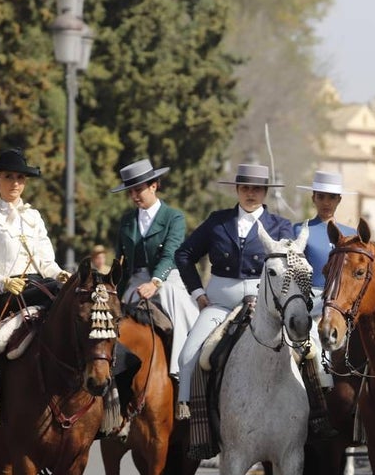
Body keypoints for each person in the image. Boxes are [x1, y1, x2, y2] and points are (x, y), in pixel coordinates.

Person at [173, 164, 294, 418]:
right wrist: (197, 293)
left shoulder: (281, 226)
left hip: (265, 305)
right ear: (237, 190)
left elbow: (289, 265)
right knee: (187, 356)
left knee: (305, 353)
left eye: (257, 189)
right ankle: (189, 411)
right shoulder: (218, 221)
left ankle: (315, 410)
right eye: (246, 188)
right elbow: (184, 254)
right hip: (220, 303)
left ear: (265, 193)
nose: (251, 194)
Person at [111, 158, 199, 378]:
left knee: (175, 300)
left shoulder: (174, 217)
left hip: (167, 278)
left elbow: (171, 254)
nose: (134, 196)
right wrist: (112, 291)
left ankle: (182, 368)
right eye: (130, 191)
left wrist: (155, 282)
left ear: (154, 185)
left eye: (138, 190)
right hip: (135, 281)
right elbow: (120, 260)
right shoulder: (127, 221)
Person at [0, 148, 69, 319]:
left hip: (42, 286)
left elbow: (47, 263)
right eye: (8, 176)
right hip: (8, 294)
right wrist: (4, 282)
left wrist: (60, 274)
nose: (15, 183)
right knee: (59, 290)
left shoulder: (34, 216)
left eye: (20, 177)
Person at [294, 170, 357, 438]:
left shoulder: (353, 234)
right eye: (321, 197)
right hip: (311, 301)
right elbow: (295, 270)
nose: (326, 202)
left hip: (343, 304)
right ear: (313, 198)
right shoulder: (301, 230)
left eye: (332, 197)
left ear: (339, 200)